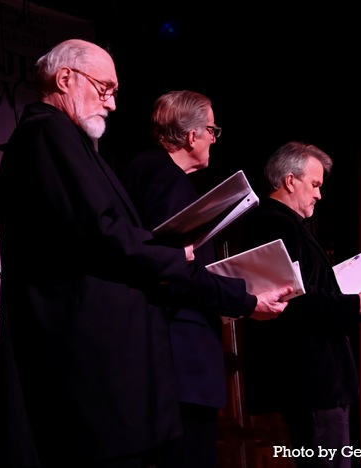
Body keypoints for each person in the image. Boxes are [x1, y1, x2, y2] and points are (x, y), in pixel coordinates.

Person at [0, 39, 290, 468]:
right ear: (64, 79)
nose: (112, 104)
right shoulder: (48, 131)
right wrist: (175, 257)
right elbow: (99, 230)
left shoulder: (64, 139)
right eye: (105, 89)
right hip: (89, 350)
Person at [120, 89, 259, 468]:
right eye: (212, 129)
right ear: (192, 135)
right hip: (178, 354)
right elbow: (176, 271)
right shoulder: (165, 178)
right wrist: (249, 300)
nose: (215, 138)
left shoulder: (143, 170)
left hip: (162, 353)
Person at [239, 141, 361, 468]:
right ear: (289, 180)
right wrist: (354, 305)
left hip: (320, 382)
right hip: (309, 382)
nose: (319, 195)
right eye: (314, 185)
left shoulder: (287, 223)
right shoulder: (272, 222)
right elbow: (292, 296)